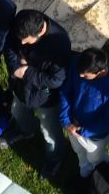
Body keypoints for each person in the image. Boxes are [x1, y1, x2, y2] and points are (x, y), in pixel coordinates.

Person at [5, 11, 71, 176]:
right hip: (21, 86)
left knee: (49, 128)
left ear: (39, 33)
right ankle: (26, 130)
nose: (21, 42)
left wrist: (27, 72)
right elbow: (11, 46)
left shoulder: (59, 43)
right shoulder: (23, 24)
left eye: (26, 40)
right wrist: (15, 68)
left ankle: (55, 158)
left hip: (45, 94)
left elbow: (56, 80)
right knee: (18, 111)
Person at [58, 47, 109, 182]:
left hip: (95, 135)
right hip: (73, 123)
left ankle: (101, 179)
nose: (80, 76)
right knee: (79, 151)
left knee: (96, 158)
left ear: (100, 71)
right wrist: (66, 120)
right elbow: (66, 91)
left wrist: (83, 131)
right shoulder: (78, 64)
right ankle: (84, 173)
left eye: (85, 75)